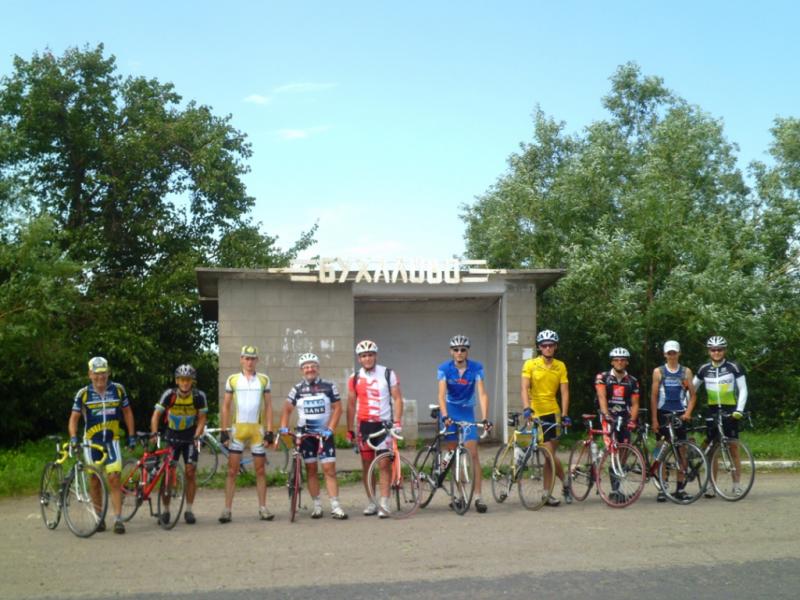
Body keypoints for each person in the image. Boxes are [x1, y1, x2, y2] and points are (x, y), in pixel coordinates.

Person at [68, 356, 136, 534]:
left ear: (108, 373)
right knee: (94, 479)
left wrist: (131, 435)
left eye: (103, 373)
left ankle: (118, 519)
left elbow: (127, 413)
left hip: (112, 441)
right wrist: (73, 437)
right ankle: (99, 517)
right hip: (92, 443)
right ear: (90, 374)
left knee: (114, 478)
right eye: (96, 374)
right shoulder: (83, 394)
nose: (100, 377)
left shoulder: (118, 390)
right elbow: (74, 419)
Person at [278, 353, 347, 519]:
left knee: (329, 470)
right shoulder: (297, 389)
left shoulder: (329, 386)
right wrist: (283, 427)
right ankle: (317, 506)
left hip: (324, 435)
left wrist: (330, 429)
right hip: (305, 436)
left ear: (318, 368)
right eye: (306, 367)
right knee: (311, 470)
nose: (310, 369)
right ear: (302, 370)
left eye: (313, 366)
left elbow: (338, 408)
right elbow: (287, 409)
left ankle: (336, 506)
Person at [346, 340, 403, 518]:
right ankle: (372, 501)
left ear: (375, 356)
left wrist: (397, 422)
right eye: (364, 356)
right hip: (364, 426)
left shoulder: (388, 373)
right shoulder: (354, 377)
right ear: (359, 359)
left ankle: (384, 502)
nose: (367, 358)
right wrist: (349, 429)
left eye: (370, 355)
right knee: (367, 465)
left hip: (384, 425)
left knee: (384, 464)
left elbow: (397, 398)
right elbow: (350, 404)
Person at [219, 345, 274, 523]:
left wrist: (270, 431)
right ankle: (227, 510)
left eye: (252, 359)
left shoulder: (264, 379)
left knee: (260, 470)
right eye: (246, 358)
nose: (249, 362)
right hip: (238, 430)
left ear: (257, 360)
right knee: (232, 471)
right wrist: (224, 431)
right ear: (241, 359)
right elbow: (226, 406)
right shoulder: (233, 379)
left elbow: (269, 406)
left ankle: (263, 508)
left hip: (257, 430)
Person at [437, 335, 493, 513]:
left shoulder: (476, 368)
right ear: (451, 352)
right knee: (453, 454)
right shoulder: (444, 368)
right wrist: (445, 415)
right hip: (450, 412)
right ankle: (460, 495)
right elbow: (441, 395)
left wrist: (485, 418)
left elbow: (482, 394)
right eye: (456, 350)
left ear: (467, 351)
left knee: (473, 453)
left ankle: (478, 497)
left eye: (463, 349)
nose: (459, 352)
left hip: (467, 412)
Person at [150, 364, 208, 524]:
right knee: (168, 474)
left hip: (191, 437)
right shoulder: (169, 394)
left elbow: (202, 419)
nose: (185, 383)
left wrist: (197, 435)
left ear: (192, 381)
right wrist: (154, 433)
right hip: (172, 437)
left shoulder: (199, 396)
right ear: (177, 381)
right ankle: (166, 510)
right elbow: (156, 415)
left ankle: (189, 510)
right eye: (182, 380)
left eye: (188, 380)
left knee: (190, 472)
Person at [692, 336, 748, 497]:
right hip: (712, 411)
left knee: (733, 447)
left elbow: (743, 389)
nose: (716, 352)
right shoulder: (704, 369)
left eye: (719, 349)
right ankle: (711, 485)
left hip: (730, 410)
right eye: (713, 350)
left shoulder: (734, 367)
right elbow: (692, 389)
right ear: (709, 351)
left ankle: (736, 484)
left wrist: (739, 410)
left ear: (725, 350)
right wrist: (685, 407)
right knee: (712, 450)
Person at [521, 330, 571, 506]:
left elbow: (564, 392)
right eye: (544, 345)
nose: (548, 348)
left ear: (555, 347)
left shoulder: (560, 366)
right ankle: (565, 481)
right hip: (536, 412)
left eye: (551, 345)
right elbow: (524, 388)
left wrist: (565, 414)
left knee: (550, 458)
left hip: (553, 412)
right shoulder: (531, 364)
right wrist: (526, 408)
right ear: (539, 347)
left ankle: (546, 494)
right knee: (547, 452)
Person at [650, 340, 697, 502]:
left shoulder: (686, 371)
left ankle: (680, 488)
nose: (672, 356)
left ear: (679, 353)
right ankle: (662, 487)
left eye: (674, 353)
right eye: (669, 353)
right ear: (665, 354)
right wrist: (654, 419)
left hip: (680, 414)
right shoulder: (658, 371)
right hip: (663, 413)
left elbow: (693, 396)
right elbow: (654, 396)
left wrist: (688, 413)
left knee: (681, 451)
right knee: (661, 451)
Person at [595, 347, 640, 502]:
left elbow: (635, 404)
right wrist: (606, 414)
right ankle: (615, 491)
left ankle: (617, 484)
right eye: (616, 360)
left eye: (622, 360)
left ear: (627, 362)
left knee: (624, 450)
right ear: (612, 362)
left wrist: (633, 420)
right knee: (613, 449)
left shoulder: (632, 381)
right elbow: (601, 396)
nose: (619, 362)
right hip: (608, 415)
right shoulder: (603, 377)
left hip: (624, 417)